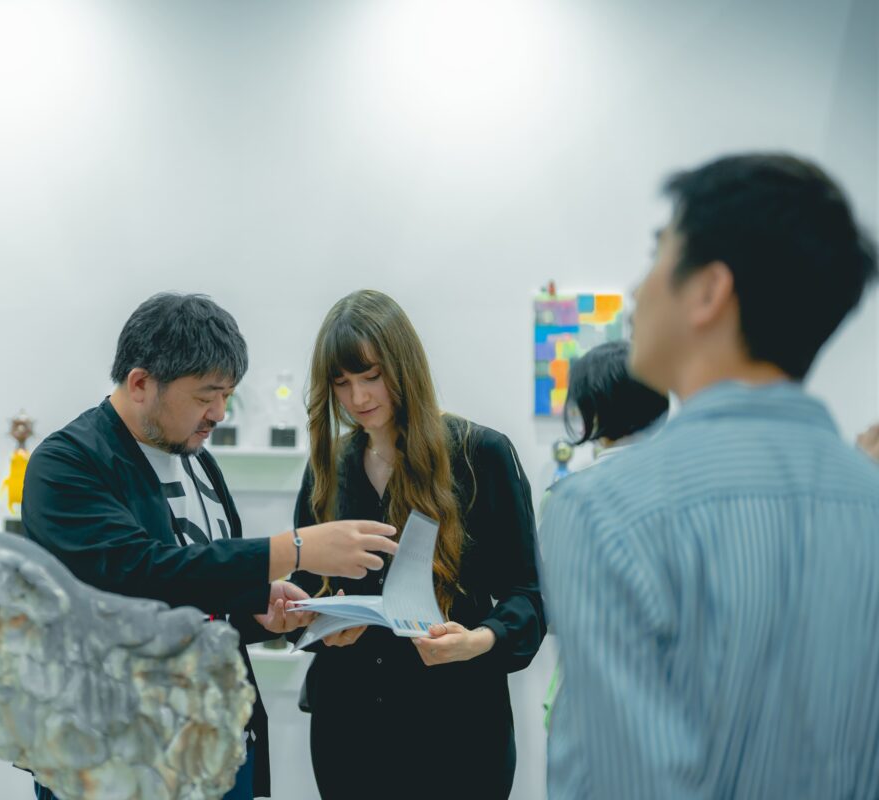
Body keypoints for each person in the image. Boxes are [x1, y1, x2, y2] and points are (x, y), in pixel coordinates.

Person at [539, 153, 879, 798]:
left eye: (657, 254)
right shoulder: (869, 500)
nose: (638, 289)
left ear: (708, 291)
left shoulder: (601, 509)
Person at [21, 292, 400, 800]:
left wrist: (258, 609)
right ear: (141, 383)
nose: (218, 413)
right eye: (206, 396)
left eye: (227, 396)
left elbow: (198, 592)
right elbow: (139, 574)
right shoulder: (67, 464)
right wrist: (293, 549)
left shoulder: (196, 458)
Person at [289, 289, 544, 800]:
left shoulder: (481, 455)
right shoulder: (330, 467)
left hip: (457, 728)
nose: (357, 398)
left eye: (371, 376)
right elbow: (305, 587)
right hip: (350, 729)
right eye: (341, 383)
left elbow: (528, 597)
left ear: (403, 366)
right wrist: (323, 624)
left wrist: (477, 640)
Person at [541, 339, 669, 729]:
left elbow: (549, 606)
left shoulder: (566, 499)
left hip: (589, 703)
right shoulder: (690, 490)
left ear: (589, 409)